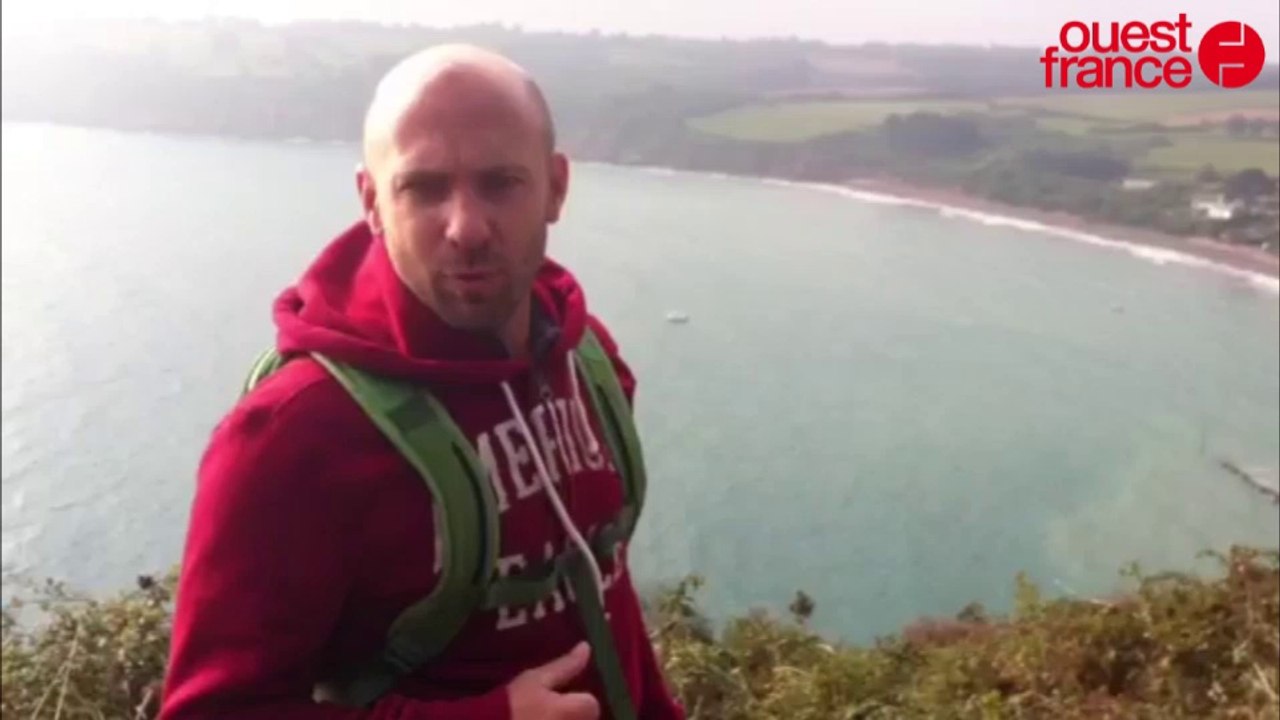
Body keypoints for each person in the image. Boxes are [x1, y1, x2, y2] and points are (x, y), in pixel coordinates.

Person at [159, 44, 685, 720]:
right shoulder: (294, 435)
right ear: (373, 202)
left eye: (500, 183)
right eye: (425, 188)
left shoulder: (588, 362)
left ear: (556, 187)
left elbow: (602, 595)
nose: (466, 228)